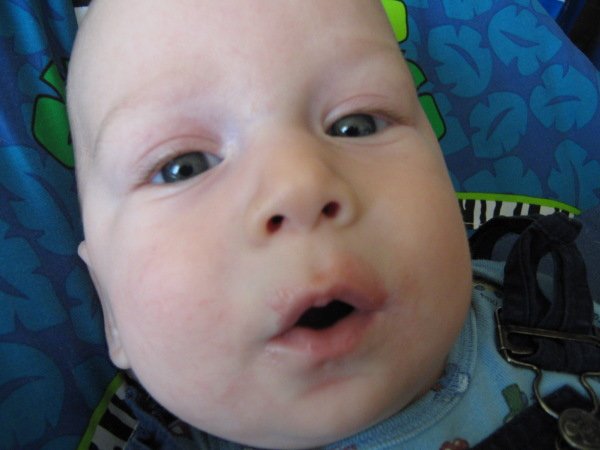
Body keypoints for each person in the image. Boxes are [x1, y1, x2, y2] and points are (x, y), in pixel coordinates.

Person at [67, 1, 599, 448]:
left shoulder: (562, 282)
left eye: (355, 125)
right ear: (110, 310)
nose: (298, 186)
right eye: (183, 167)